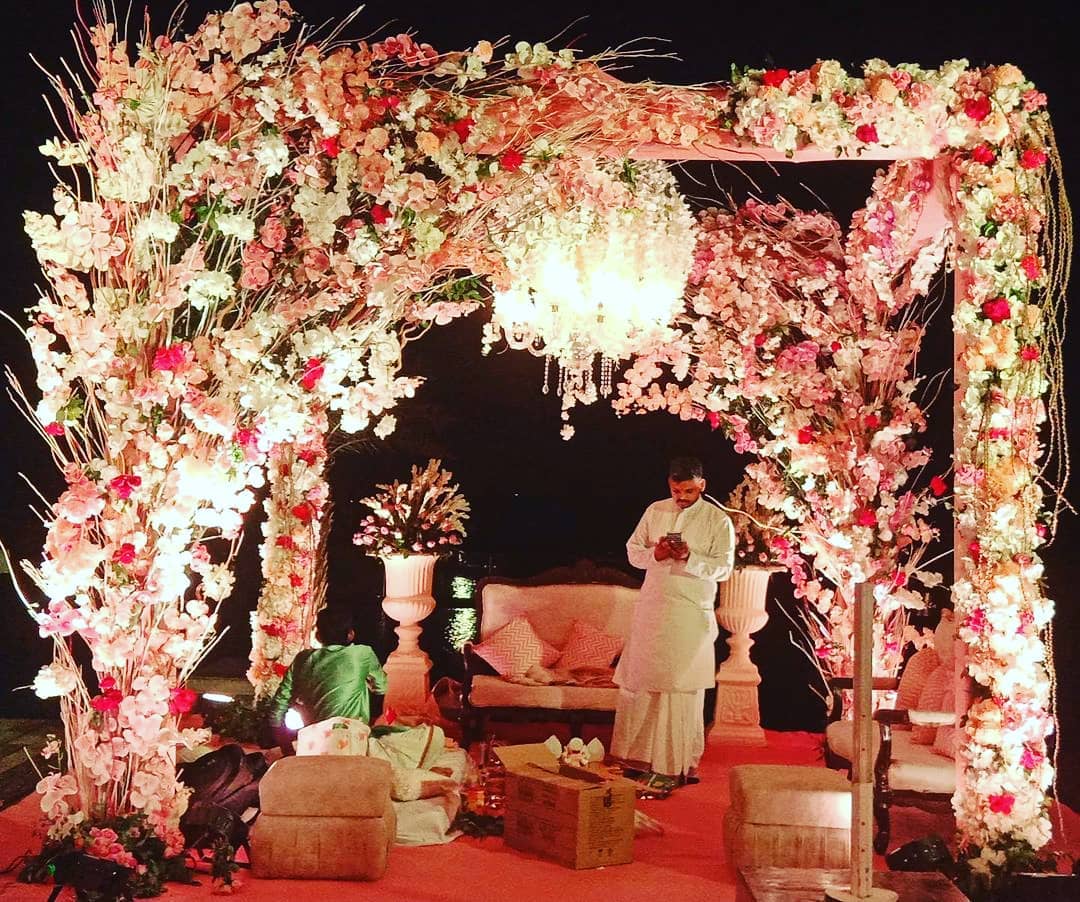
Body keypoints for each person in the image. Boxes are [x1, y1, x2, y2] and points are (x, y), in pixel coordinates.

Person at [612, 456, 735, 788]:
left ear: (702, 485)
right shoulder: (655, 510)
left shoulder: (717, 520)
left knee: (680, 687)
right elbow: (633, 551)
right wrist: (656, 554)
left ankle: (675, 764)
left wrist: (689, 557)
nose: (681, 497)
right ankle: (635, 759)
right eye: (676, 490)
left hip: (690, 615)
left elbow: (724, 568)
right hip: (652, 610)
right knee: (641, 682)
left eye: (689, 491)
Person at [269, 605, 388, 745]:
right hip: (353, 738)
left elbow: (282, 698)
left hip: (314, 740)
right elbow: (382, 687)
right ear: (350, 634)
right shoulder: (362, 653)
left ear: (318, 636)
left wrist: (279, 735)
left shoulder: (303, 658)